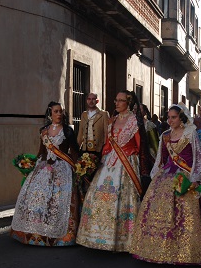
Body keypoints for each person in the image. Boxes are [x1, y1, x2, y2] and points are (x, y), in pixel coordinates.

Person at [130, 103, 201, 265]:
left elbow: (197, 157)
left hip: (188, 175)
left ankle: (194, 250)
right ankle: (159, 249)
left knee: (196, 209)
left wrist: (195, 178)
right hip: (167, 176)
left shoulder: (190, 133)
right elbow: (161, 158)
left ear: (181, 118)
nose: (170, 120)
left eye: (173, 117)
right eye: (168, 117)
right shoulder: (165, 135)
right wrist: (155, 175)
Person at [76, 90, 153, 252]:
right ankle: (95, 235)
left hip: (127, 164)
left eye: (121, 100)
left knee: (123, 198)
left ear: (128, 103)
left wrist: (140, 166)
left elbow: (142, 148)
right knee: (97, 195)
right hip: (109, 162)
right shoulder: (112, 120)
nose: (116, 103)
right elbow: (107, 145)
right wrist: (95, 161)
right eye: (116, 100)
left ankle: (125, 239)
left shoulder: (135, 122)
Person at [10, 101, 80, 246]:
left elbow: (73, 151)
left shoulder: (67, 131)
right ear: (50, 113)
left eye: (61, 111)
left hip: (62, 168)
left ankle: (60, 235)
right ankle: (36, 231)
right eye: (56, 111)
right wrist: (32, 165)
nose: (59, 114)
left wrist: (78, 168)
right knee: (37, 196)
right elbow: (41, 150)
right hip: (44, 167)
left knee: (59, 199)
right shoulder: (44, 131)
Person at [77, 93, 109, 157]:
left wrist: (105, 147)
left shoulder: (104, 114)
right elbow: (80, 133)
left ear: (97, 101)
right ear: (86, 100)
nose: (91, 101)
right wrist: (77, 148)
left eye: (93, 99)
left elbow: (106, 132)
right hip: (85, 148)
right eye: (89, 99)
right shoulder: (84, 114)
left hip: (99, 149)